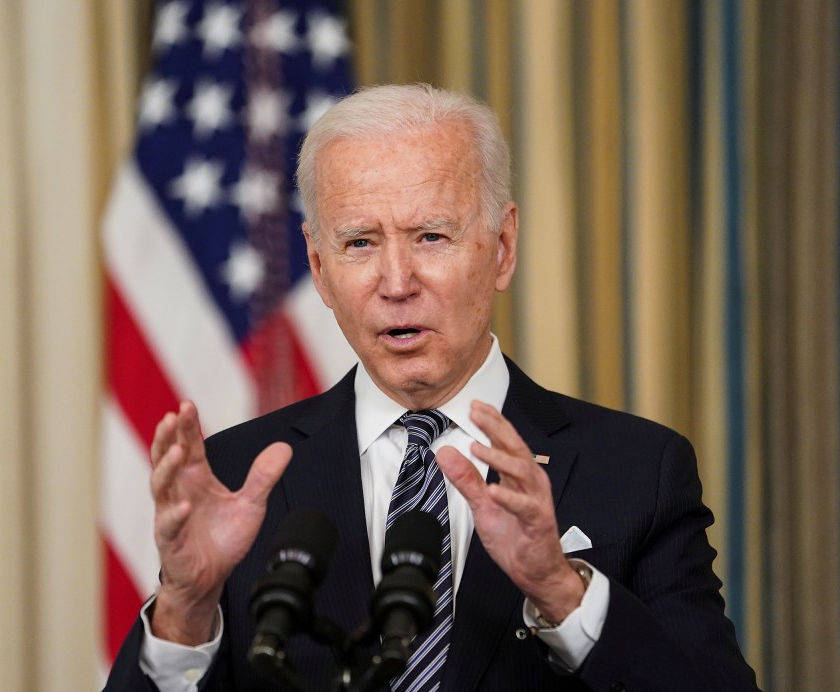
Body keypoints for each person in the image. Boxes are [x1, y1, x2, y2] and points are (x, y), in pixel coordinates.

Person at [104, 83, 759, 692]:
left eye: (430, 237)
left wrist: (561, 589)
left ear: (501, 247)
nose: (396, 282)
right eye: (360, 242)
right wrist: (184, 612)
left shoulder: (636, 470)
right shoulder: (235, 479)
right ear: (318, 267)